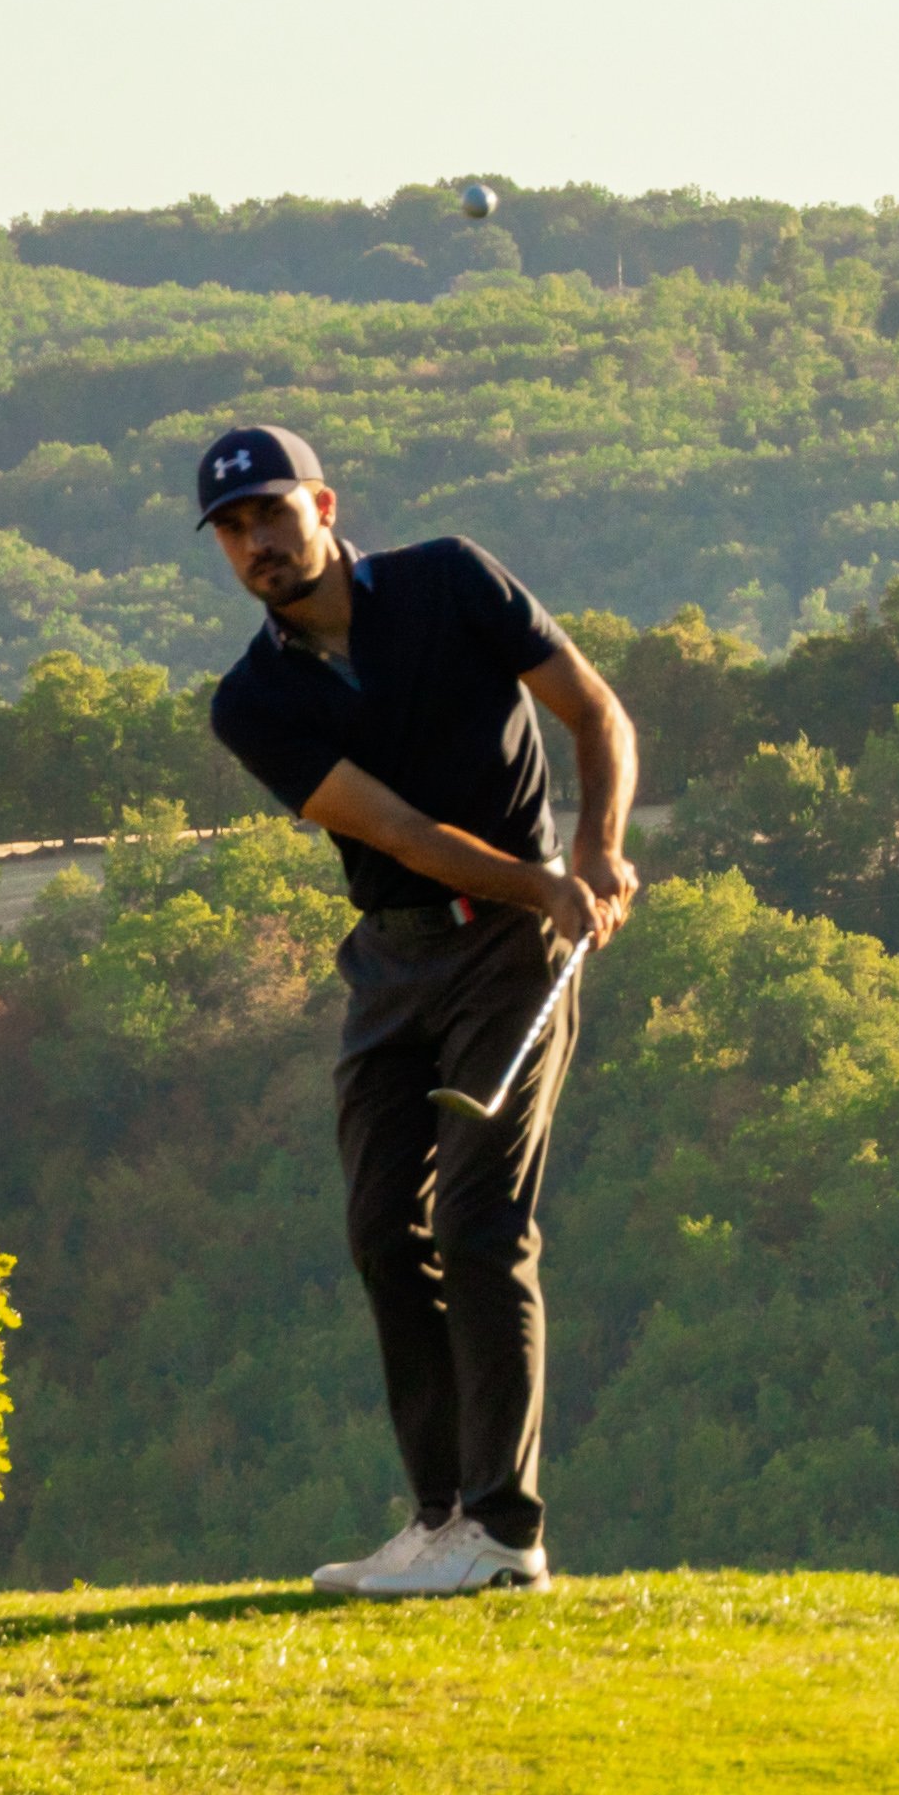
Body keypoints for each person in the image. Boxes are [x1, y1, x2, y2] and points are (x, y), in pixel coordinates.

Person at [189, 420, 643, 1596]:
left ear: (325, 506)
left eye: (271, 515)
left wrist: (594, 846)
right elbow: (393, 831)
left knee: (480, 1224)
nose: (255, 544)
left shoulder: (452, 578)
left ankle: (503, 1531)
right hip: (393, 964)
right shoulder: (252, 700)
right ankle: (440, 1518)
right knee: (384, 1231)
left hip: (511, 956)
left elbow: (594, 711)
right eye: (232, 530)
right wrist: (543, 874)